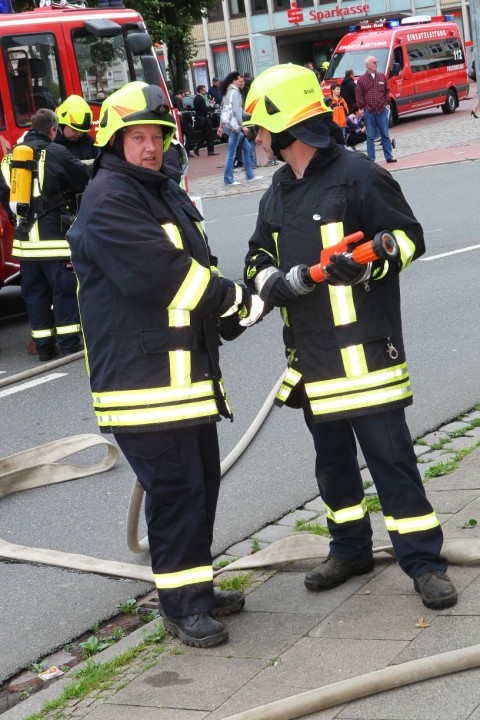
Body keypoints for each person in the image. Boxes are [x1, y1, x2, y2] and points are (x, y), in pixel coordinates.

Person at [243, 64, 457, 612]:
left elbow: (411, 239)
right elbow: (256, 259)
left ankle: (425, 564)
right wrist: (273, 282)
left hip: (368, 356)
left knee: (392, 462)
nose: (258, 141)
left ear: (283, 125)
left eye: (259, 128)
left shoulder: (359, 175)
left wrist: (372, 265)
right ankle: (349, 549)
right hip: (312, 362)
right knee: (332, 465)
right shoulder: (279, 191)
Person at [66, 81, 263, 648]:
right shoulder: (110, 198)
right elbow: (164, 274)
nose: (150, 147)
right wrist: (233, 300)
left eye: (156, 136)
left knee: (199, 487)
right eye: (138, 137)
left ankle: (195, 588)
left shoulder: (157, 191)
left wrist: (228, 315)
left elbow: (193, 266)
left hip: (183, 380)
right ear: (114, 142)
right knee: (176, 493)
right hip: (143, 385)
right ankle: (180, 607)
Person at [0, 108, 89, 360]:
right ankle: (70, 346)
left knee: (35, 295)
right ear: (53, 130)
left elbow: (4, 195)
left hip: (25, 245)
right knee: (63, 292)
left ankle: (45, 348)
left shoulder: (8, 160)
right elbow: (82, 178)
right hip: (54, 242)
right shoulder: (57, 152)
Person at [218, 71, 262, 186]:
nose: (240, 82)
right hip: (235, 127)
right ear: (234, 81)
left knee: (246, 148)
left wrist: (221, 126)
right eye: (239, 80)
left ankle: (249, 175)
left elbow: (224, 109)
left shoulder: (227, 92)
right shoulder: (235, 92)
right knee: (231, 153)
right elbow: (237, 111)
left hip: (229, 125)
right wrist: (242, 126)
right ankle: (229, 179)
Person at [356, 55, 396, 163]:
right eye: (374, 62)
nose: (376, 64)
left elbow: (387, 91)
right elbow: (358, 94)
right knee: (370, 136)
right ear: (368, 65)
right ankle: (371, 158)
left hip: (381, 110)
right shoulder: (361, 80)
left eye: (376, 62)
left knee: (385, 134)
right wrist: (364, 106)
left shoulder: (382, 76)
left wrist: (385, 103)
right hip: (369, 112)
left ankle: (389, 156)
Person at [55, 95, 98, 160]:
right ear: (62, 125)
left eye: (82, 131)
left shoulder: (89, 141)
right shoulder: (52, 144)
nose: (79, 134)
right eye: (75, 130)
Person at [192, 85, 218, 157]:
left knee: (204, 134)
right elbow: (204, 108)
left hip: (201, 119)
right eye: (203, 90)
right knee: (209, 134)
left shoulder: (197, 98)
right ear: (200, 90)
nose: (205, 91)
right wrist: (212, 108)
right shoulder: (200, 99)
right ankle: (210, 150)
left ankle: (197, 147)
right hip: (204, 119)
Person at [172, 89, 193, 155]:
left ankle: (185, 151)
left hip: (179, 120)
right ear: (179, 95)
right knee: (189, 134)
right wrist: (186, 110)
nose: (182, 98)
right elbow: (180, 109)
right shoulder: (177, 100)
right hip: (181, 120)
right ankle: (186, 151)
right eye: (182, 96)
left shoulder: (174, 99)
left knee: (185, 135)